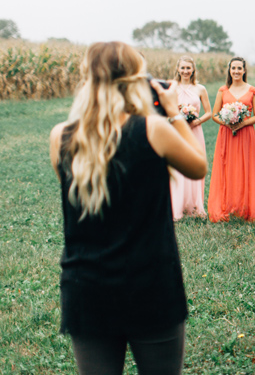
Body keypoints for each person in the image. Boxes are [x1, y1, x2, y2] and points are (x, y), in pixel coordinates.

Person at [48, 41, 207, 375]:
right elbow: (198, 167)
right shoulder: (152, 129)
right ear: (138, 80)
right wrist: (173, 111)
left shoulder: (61, 137)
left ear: (87, 79)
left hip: (86, 287)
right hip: (151, 284)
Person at [208, 57, 255, 222]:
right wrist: (227, 122)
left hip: (245, 134)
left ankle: (244, 207)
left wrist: (242, 123)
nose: (236, 71)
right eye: (233, 68)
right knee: (226, 168)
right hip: (226, 134)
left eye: (239, 68)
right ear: (229, 70)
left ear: (244, 70)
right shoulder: (223, 90)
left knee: (244, 168)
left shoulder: (252, 90)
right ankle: (226, 205)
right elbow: (214, 114)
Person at [169, 55, 212, 220]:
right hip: (177, 131)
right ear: (178, 69)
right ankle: (177, 205)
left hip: (195, 131)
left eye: (188, 68)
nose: (185, 71)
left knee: (194, 164)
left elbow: (209, 112)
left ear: (193, 70)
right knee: (177, 166)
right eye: (183, 68)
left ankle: (194, 205)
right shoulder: (172, 88)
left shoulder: (200, 89)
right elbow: (168, 110)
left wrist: (197, 121)